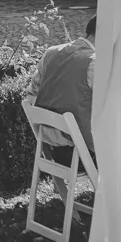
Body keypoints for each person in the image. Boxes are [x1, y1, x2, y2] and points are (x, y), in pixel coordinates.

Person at [27, 15, 97, 166]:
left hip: (51, 149)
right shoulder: (95, 63)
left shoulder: (51, 52)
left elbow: (31, 95)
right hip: (81, 155)